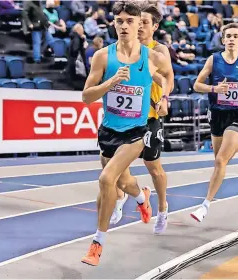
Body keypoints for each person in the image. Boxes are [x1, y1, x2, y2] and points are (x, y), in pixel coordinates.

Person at [81, 1, 173, 266]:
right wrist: (111, 83)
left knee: (106, 179)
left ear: (139, 24)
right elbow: (86, 97)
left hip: (136, 131)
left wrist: (164, 97)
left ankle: (97, 243)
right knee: (122, 182)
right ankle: (142, 197)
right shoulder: (102, 57)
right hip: (109, 130)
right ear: (113, 23)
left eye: (129, 21)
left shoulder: (152, 56)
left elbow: (167, 75)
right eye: (119, 21)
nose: (124, 26)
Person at [109, 3, 174, 235]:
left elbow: (167, 78)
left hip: (150, 117)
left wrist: (164, 99)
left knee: (153, 168)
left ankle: (163, 209)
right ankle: (123, 196)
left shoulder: (159, 51)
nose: (139, 27)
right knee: (111, 165)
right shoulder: (127, 48)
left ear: (155, 27)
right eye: (139, 22)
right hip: (125, 118)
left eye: (145, 23)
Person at [190, 23, 238, 222]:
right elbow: (196, 85)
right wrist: (214, 89)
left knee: (220, 161)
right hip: (216, 114)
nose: (231, 39)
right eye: (228, 36)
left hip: (235, 114)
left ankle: (204, 206)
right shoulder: (213, 60)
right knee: (219, 160)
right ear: (223, 40)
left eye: (234, 36)